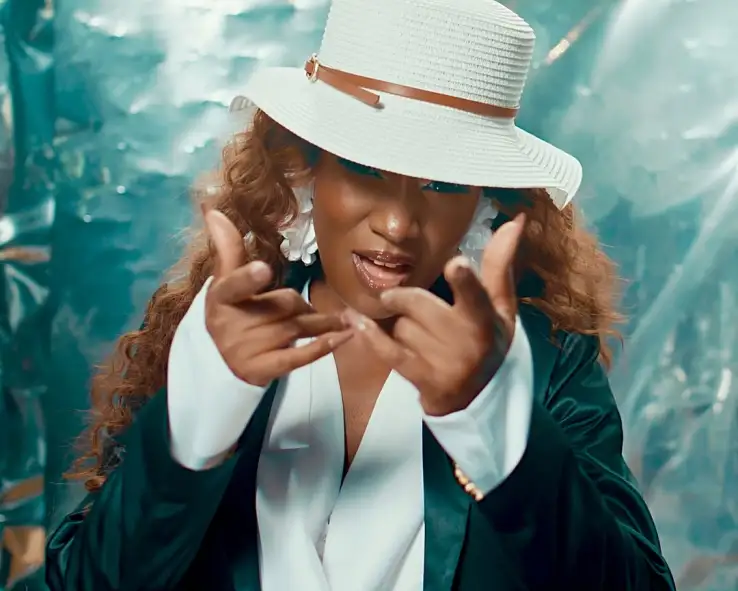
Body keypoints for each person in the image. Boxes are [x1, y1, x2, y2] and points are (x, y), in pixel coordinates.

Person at [45, 0, 677, 589]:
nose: (398, 224)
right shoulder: (222, 336)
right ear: (306, 167)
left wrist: (495, 426)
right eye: (366, 169)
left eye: (442, 184)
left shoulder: (545, 362)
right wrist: (202, 416)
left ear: (484, 204)